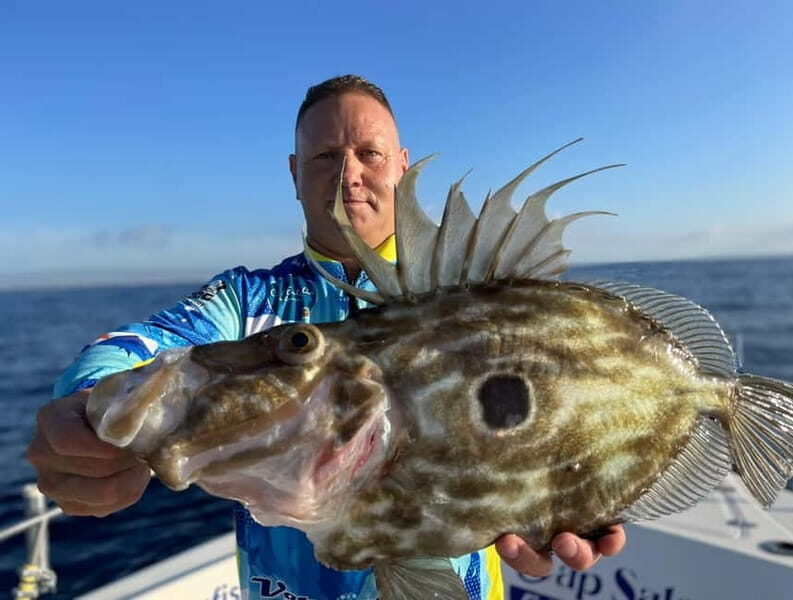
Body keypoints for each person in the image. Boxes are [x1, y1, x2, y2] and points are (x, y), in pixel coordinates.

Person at [27, 75, 625, 599]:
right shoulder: (249, 301)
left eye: (369, 152)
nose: (349, 173)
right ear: (294, 172)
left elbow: (577, 391)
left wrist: (585, 477)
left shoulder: (473, 296)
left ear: (401, 166)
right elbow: (136, 349)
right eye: (324, 156)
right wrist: (89, 405)